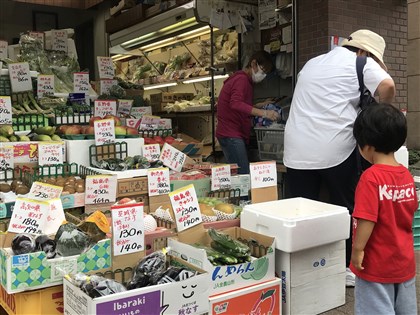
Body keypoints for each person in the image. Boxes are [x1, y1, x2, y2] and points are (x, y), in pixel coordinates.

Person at [283, 29, 396, 286]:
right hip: (334, 149)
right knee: (343, 208)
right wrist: (383, 110)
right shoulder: (362, 62)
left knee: (301, 211)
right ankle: (345, 268)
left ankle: (300, 269)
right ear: (364, 51)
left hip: (296, 150)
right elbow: (387, 85)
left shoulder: (312, 63)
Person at [350, 103, 418, 314]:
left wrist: (357, 250)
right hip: (404, 262)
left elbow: (367, 219)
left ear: (367, 146)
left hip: (376, 264)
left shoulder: (371, 178)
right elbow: (410, 209)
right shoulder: (405, 175)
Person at [216, 50, 280, 174]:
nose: (263, 75)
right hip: (231, 134)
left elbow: (242, 105)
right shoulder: (242, 80)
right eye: (263, 70)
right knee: (242, 177)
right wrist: (265, 113)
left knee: (239, 176)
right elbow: (235, 103)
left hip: (230, 133)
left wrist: (262, 105)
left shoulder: (243, 80)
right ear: (253, 64)